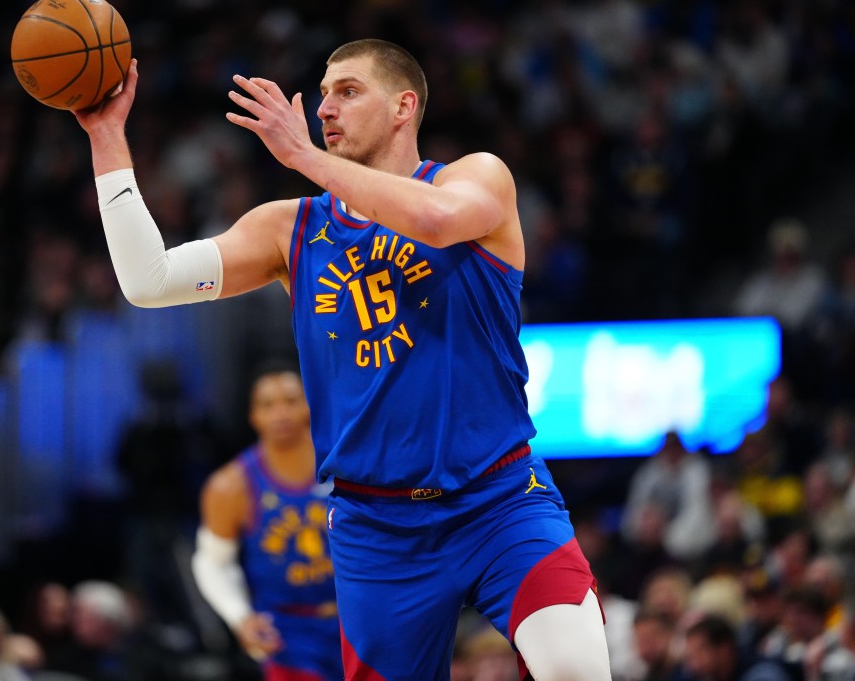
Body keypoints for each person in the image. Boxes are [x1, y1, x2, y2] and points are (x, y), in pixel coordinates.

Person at [75, 38, 610, 679]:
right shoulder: (290, 228)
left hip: (498, 498)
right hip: (376, 527)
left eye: (347, 91)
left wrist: (300, 156)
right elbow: (149, 281)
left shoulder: (474, 177)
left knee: (577, 668)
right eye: (323, 93)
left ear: (403, 106)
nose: (325, 107)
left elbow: (437, 222)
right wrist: (107, 136)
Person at [191, 367, 341, 681]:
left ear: (310, 406)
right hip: (289, 633)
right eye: (267, 405)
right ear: (253, 416)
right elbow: (211, 563)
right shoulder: (230, 486)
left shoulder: (344, 465)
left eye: (290, 401)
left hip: (357, 621)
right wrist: (240, 617)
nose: (280, 413)